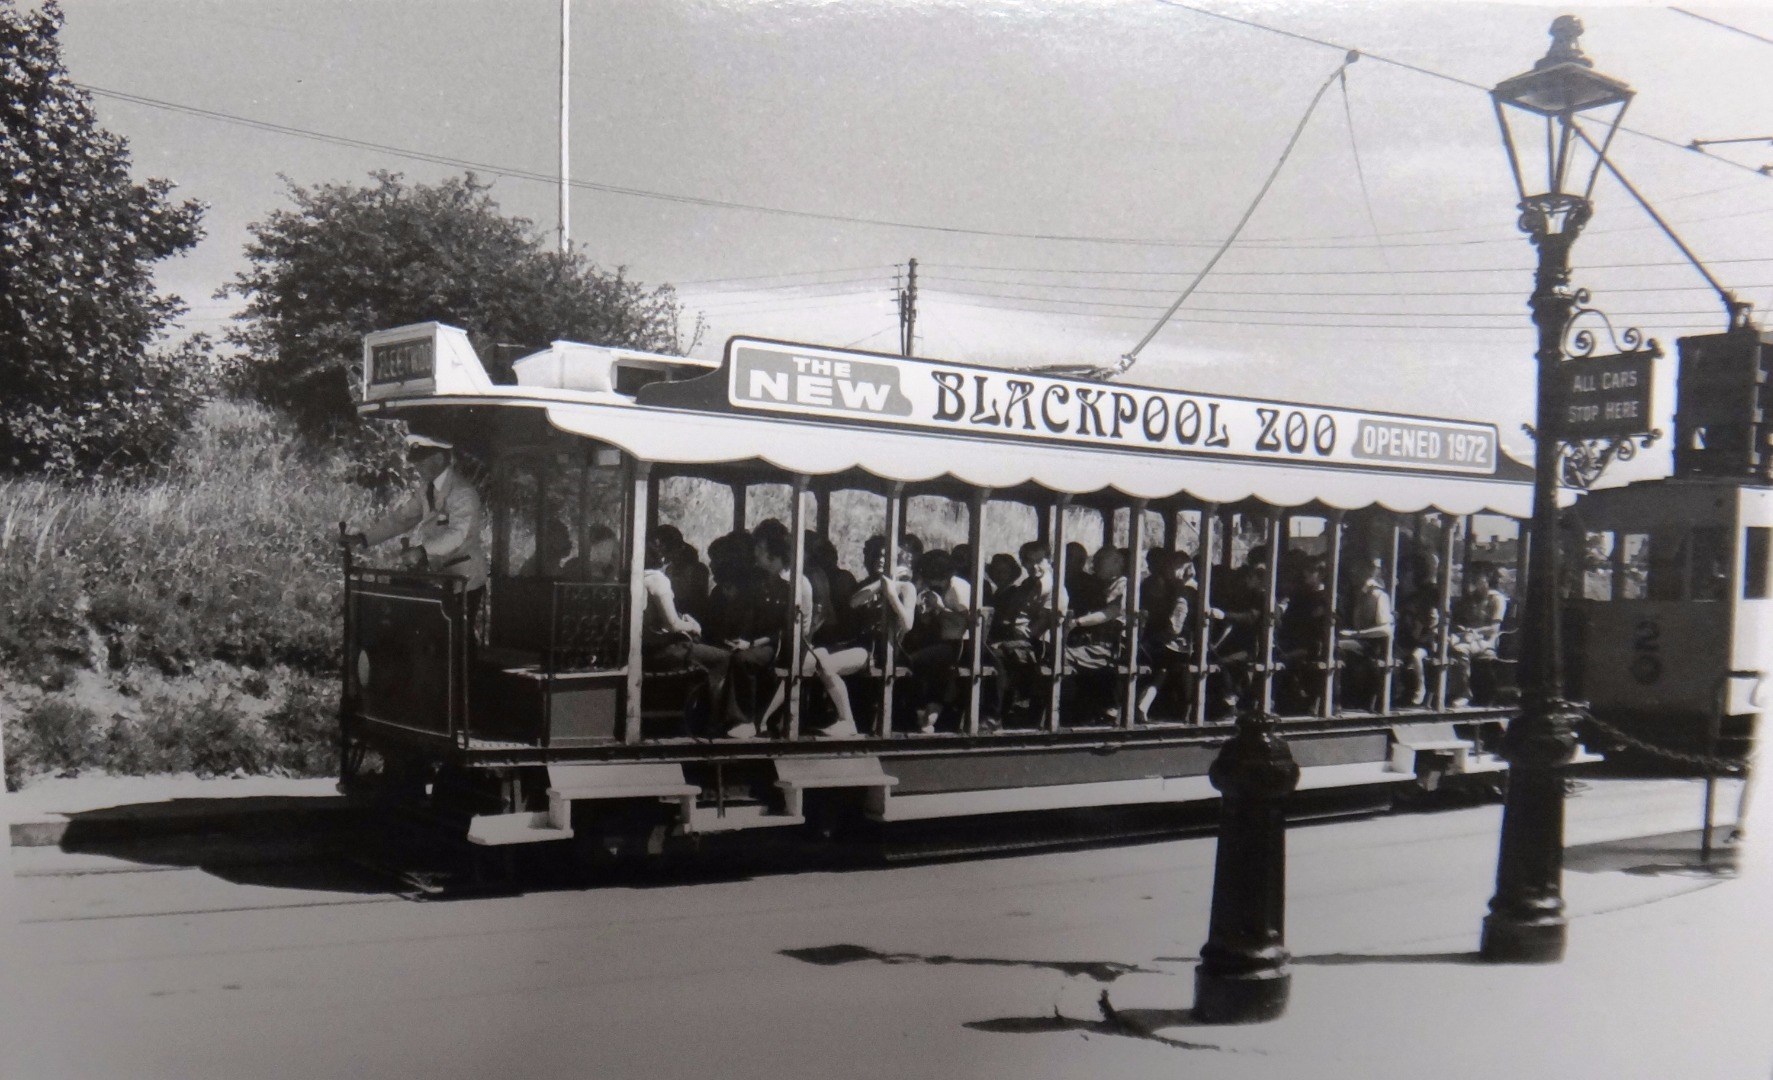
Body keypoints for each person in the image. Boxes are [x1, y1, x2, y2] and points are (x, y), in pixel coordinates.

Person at [343, 433, 488, 629]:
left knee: (458, 638)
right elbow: (401, 519)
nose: (416, 467)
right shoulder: (426, 490)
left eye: (421, 462)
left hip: (464, 579)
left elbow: (457, 535)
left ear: (438, 459)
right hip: (442, 575)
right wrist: (363, 539)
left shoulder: (462, 493)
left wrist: (422, 551)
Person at [640, 531, 741, 734]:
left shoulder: (639, 576)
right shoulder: (658, 580)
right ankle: (712, 721)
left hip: (649, 646)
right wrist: (693, 626)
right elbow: (673, 625)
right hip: (665, 649)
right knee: (724, 659)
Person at [990, 540, 1068, 727]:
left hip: (1039, 646)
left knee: (994, 654)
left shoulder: (1054, 587)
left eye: (1039, 560)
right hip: (1019, 640)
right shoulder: (1028, 584)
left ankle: (996, 713)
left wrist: (1009, 638)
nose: (1034, 566)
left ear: (1049, 560)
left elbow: (1039, 627)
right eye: (1028, 561)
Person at [905, 549, 973, 732]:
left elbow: (966, 623)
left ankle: (927, 708)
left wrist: (940, 608)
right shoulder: (939, 588)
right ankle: (927, 710)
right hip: (943, 639)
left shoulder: (958, 589)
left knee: (915, 660)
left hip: (959, 644)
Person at [1062, 546, 1130, 723]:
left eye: (1100, 560)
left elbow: (1109, 613)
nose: (1094, 564)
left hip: (1108, 646)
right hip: (1092, 643)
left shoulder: (1124, 585)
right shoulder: (1099, 583)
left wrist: (1077, 622)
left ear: (1117, 563)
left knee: (1060, 657)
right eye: (1095, 560)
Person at [1138, 552, 1199, 724]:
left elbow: (1177, 623)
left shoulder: (1186, 590)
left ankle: (1189, 707)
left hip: (1178, 643)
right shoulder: (1174, 587)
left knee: (1167, 666)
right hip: (1174, 643)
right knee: (1163, 669)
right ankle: (1144, 705)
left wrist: (1158, 637)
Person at [1338, 555, 1395, 708]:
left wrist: (1356, 634)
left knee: (1338, 646)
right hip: (1357, 642)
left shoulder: (1378, 595)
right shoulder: (1357, 593)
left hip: (1370, 646)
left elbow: (1385, 629)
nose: (1353, 573)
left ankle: (1341, 698)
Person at [1276, 556, 1331, 714]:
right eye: (1305, 570)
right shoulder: (1300, 596)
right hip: (1293, 643)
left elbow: (1319, 628)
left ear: (1320, 574)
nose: (1306, 573)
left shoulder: (1326, 598)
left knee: (1284, 661)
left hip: (1312, 647)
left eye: (1311, 570)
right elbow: (1288, 621)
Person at [1449, 563, 1508, 706]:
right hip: (1467, 637)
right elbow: (1461, 619)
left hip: (1487, 641)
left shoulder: (1496, 599)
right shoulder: (1471, 598)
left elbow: (1494, 628)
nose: (1473, 578)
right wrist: (1462, 628)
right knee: (1445, 643)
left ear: (1487, 579)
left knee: (1460, 650)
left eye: (1477, 576)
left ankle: (1464, 692)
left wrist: (1474, 632)